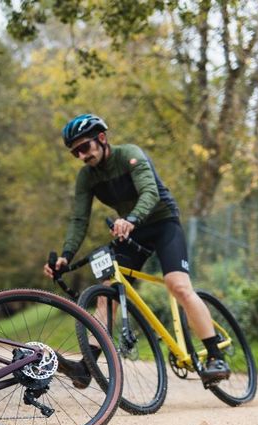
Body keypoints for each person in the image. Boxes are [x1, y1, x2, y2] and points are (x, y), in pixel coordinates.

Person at [43, 113, 231, 385]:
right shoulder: (87, 177)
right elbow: (79, 219)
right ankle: (86, 367)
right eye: (75, 153)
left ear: (102, 139)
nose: (82, 156)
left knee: (177, 285)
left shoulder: (129, 154)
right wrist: (65, 256)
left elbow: (150, 192)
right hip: (130, 230)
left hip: (162, 222)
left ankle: (216, 356)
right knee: (107, 292)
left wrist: (131, 219)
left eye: (85, 147)